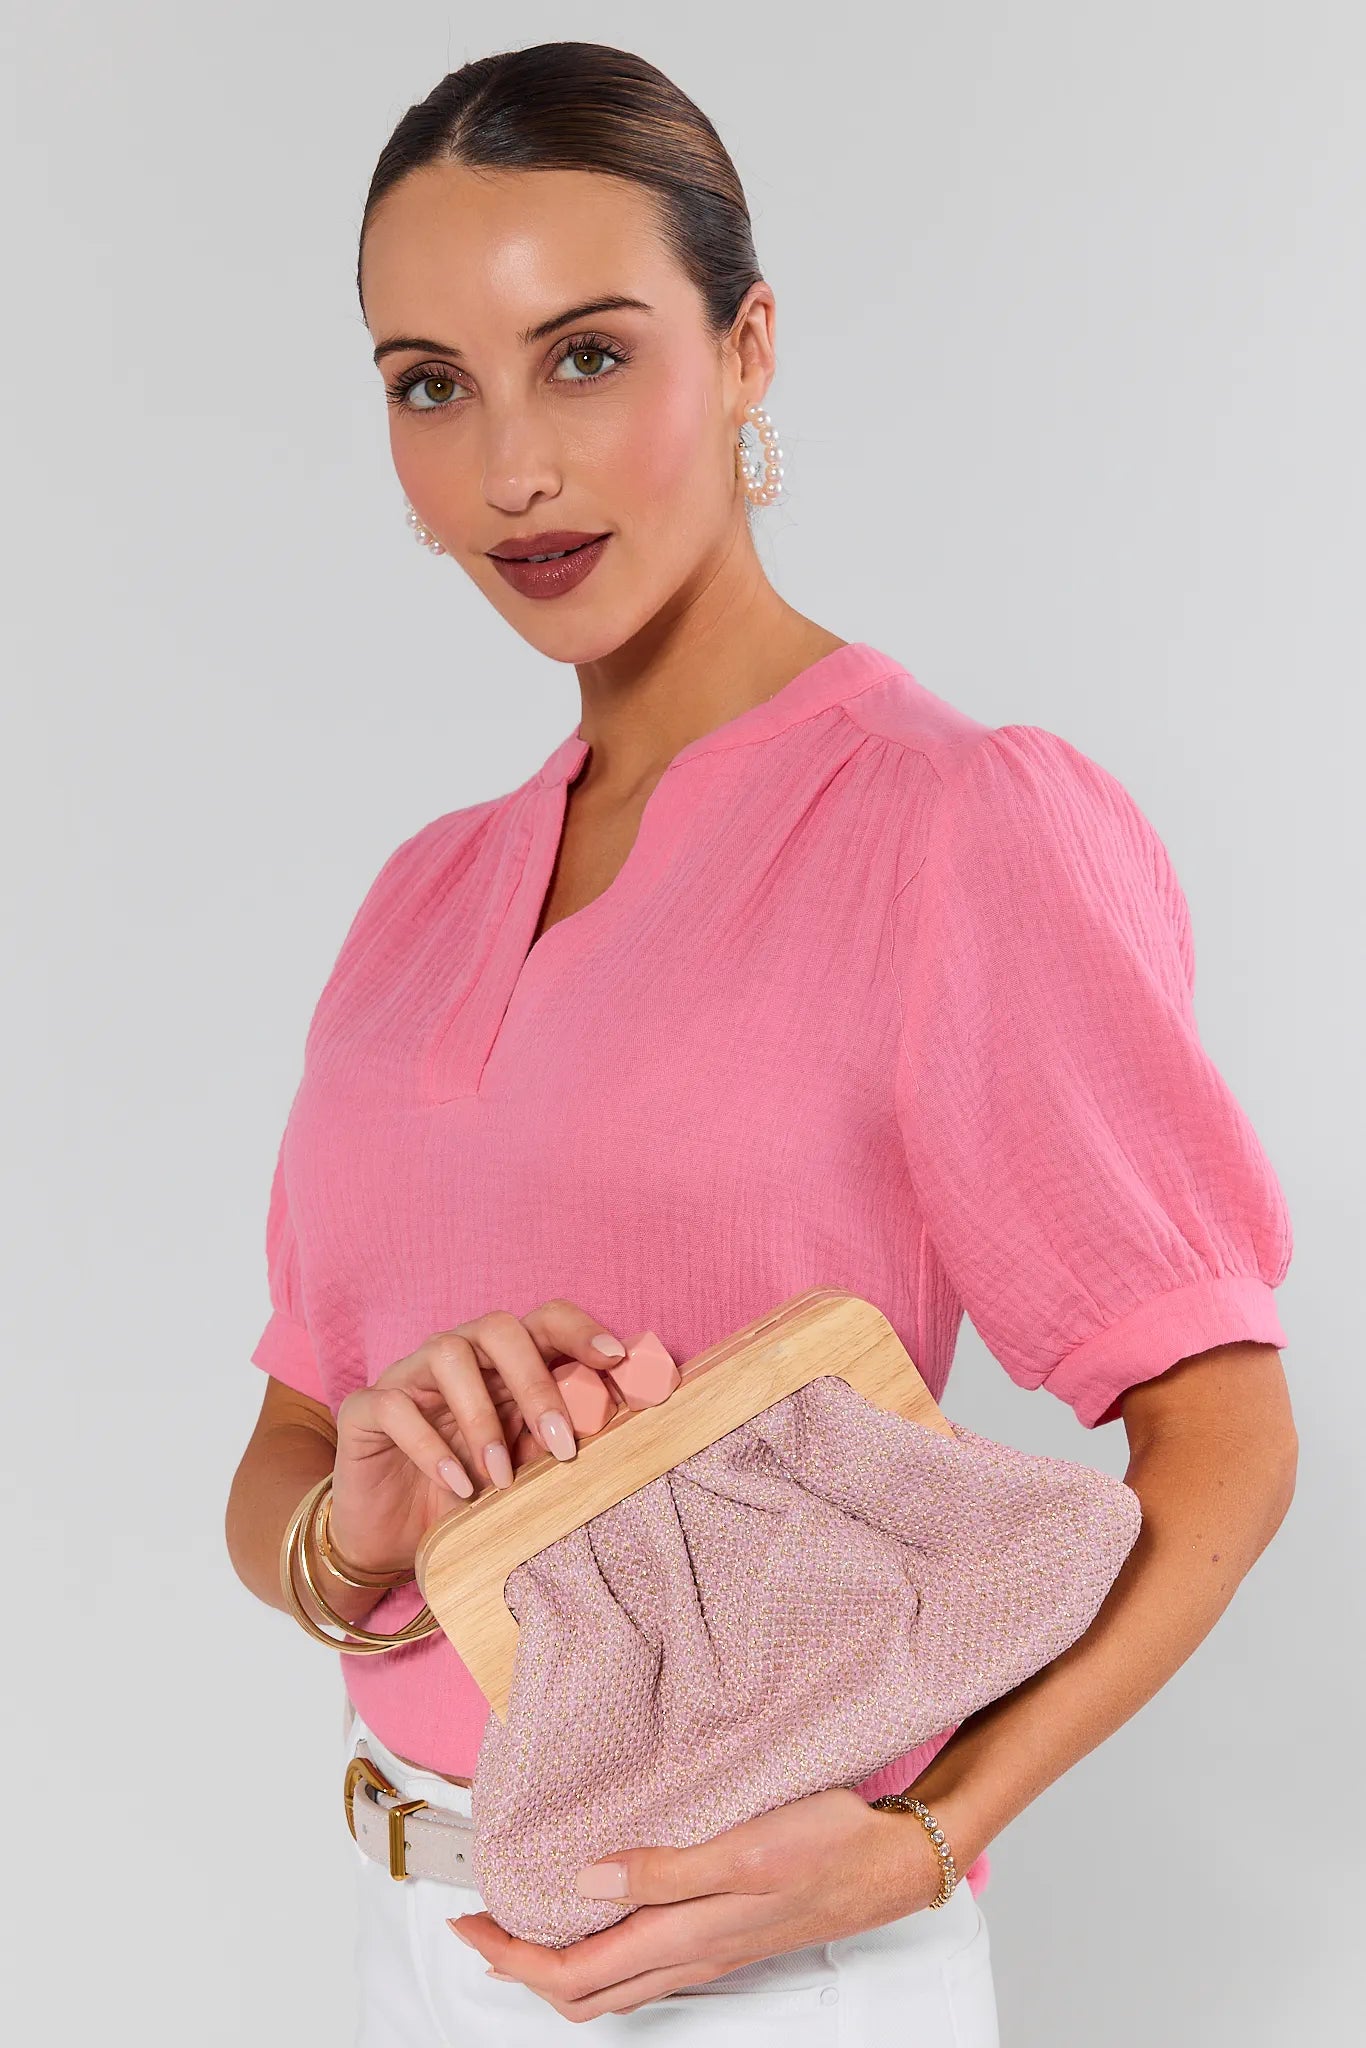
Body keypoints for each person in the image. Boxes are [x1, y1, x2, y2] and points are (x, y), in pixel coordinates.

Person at [224, 40, 1298, 2045]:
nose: (510, 470)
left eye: (588, 355)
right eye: (429, 386)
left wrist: (924, 1834)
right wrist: (353, 1530)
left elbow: (1222, 1428)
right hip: (409, 1940)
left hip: (771, 1969)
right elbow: (289, 1445)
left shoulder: (944, 827)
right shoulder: (416, 904)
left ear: (746, 348)